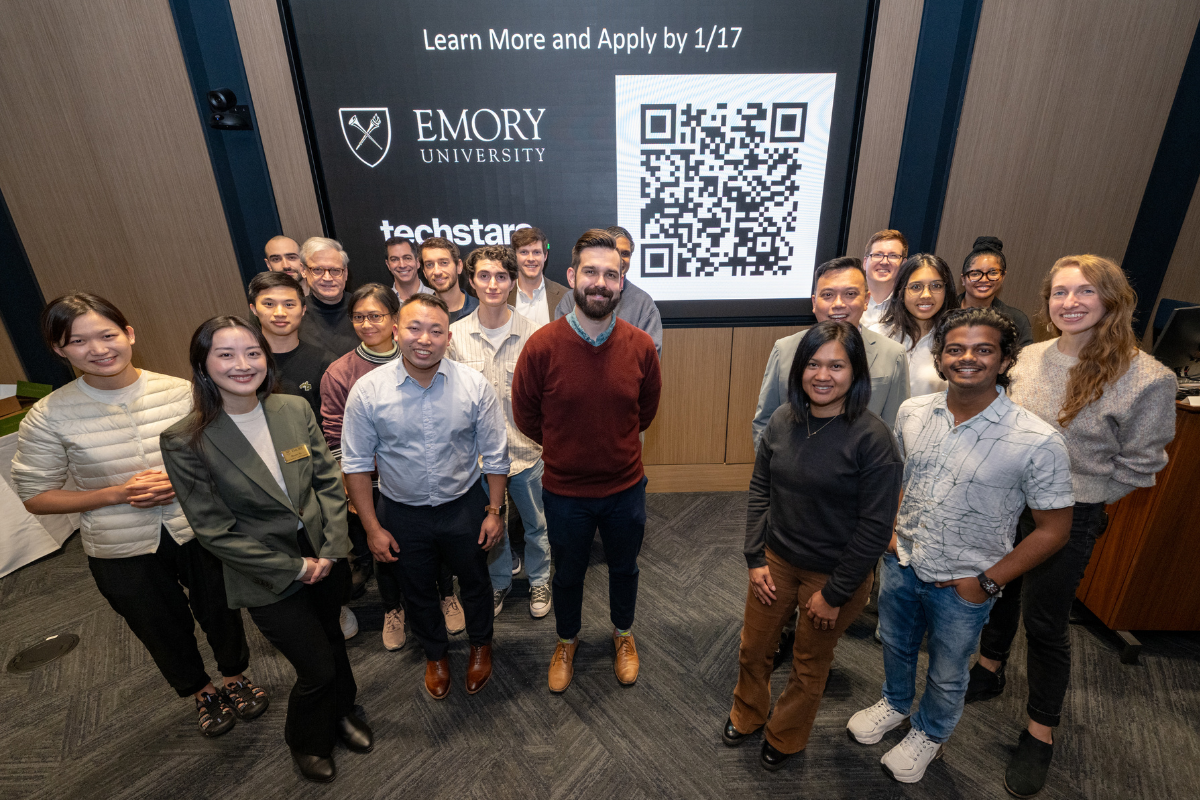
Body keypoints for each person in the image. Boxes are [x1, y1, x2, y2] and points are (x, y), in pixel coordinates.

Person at [967, 256, 1177, 797]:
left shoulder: (1148, 377)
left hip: (1071, 516)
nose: (1071, 302)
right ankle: (989, 669)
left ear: (1112, 299)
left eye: (1085, 291)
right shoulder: (1031, 357)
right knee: (999, 592)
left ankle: (1041, 730)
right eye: (1060, 292)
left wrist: (1077, 504)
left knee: (1044, 620)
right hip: (1008, 502)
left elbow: (1142, 464)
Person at [12, 293, 266, 739]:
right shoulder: (47, 417)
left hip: (196, 529)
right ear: (59, 350)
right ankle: (199, 689)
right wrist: (116, 494)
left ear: (129, 334)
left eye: (108, 335)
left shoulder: (180, 391)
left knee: (221, 608)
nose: (98, 349)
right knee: (158, 623)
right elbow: (36, 496)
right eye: (78, 341)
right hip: (118, 543)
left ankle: (235, 676)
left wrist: (180, 482)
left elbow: (227, 458)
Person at [846, 307, 1075, 784]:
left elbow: (1054, 530)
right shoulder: (912, 413)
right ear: (940, 356)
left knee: (949, 671)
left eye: (983, 349)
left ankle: (930, 732)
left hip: (965, 582)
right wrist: (890, 535)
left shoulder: (1037, 440)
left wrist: (986, 582)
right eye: (955, 349)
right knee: (895, 644)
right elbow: (902, 479)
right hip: (904, 562)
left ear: (1005, 359)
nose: (967, 358)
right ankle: (894, 702)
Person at [160, 316, 366, 783]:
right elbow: (213, 530)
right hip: (265, 569)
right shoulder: (185, 439)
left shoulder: (292, 409)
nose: (243, 364)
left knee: (333, 642)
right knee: (313, 665)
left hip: (323, 551)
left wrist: (332, 550)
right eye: (226, 354)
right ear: (202, 364)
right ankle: (305, 739)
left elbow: (328, 483)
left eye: (252, 353)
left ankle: (343, 713)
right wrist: (295, 567)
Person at [727, 321, 902, 771]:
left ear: (855, 372)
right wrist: (754, 558)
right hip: (777, 561)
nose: (822, 374)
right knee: (754, 647)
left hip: (835, 574)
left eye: (836, 365)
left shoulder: (873, 438)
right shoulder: (785, 419)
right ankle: (747, 714)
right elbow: (760, 489)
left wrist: (834, 594)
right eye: (813, 363)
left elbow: (875, 527)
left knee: (808, 662)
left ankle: (785, 735)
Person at [513, 229, 662, 693]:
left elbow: (647, 411)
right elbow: (526, 416)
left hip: (624, 489)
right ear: (573, 276)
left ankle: (623, 634)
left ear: (622, 282)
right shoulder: (541, 346)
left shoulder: (639, 346)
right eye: (591, 272)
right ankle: (566, 639)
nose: (600, 282)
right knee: (569, 573)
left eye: (611, 274)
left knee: (625, 569)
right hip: (564, 491)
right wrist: (569, 446)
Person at [341, 294, 509, 700]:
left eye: (436, 330)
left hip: (464, 507)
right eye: (414, 328)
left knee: (475, 582)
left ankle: (481, 646)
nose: (424, 339)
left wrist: (494, 510)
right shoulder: (367, 391)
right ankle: (435, 654)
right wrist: (372, 528)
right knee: (416, 590)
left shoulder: (472, 385)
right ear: (396, 331)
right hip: (402, 512)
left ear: (448, 338)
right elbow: (356, 465)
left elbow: (496, 454)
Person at [448, 245, 554, 619]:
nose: (493, 284)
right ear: (472, 280)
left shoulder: (536, 336)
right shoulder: (454, 337)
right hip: (478, 459)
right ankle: (500, 583)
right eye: (484, 276)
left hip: (526, 453)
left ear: (512, 282)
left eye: (501, 276)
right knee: (491, 529)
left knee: (537, 525)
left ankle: (540, 579)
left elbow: (547, 399)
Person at [753, 256, 910, 450]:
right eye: (827, 295)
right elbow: (765, 422)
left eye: (850, 294)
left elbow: (894, 431)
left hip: (860, 474)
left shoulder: (893, 354)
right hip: (793, 470)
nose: (838, 304)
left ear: (866, 300)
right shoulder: (784, 349)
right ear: (814, 302)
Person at [554, 225, 663, 358]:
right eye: (590, 272)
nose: (621, 259)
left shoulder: (644, 304)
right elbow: (559, 349)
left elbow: (649, 357)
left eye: (625, 254)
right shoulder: (569, 300)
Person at [248, 271, 334, 429]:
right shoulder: (244, 364)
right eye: (269, 304)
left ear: (303, 310)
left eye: (289, 304)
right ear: (253, 309)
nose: (279, 313)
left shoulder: (326, 362)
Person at [879, 254, 961, 397]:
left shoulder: (959, 342)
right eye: (916, 287)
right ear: (901, 291)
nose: (926, 295)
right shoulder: (879, 335)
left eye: (936, 286)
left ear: (946, 291)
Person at [957, 236, 1034, 348]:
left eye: (993, 273)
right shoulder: (944, 311)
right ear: (963, 279)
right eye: (975, 274)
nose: (984, 280)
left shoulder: (1016, 320)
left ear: (1003, 276)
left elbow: (1024, 362)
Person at [299, 236, 359, 357]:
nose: (327, 278)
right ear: (303, 270)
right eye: (318, 270)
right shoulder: (295, 314)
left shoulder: (364, 308)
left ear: (345, 273)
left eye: (335, 270)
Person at [509, 226, 568, 326]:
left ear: (545, 256)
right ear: (514, 256)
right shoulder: (503, 296)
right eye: (524, 252)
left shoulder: (565, 296)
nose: (531, 258)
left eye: (536, 252)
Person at [419, 236, 478, 324]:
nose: (437, 271)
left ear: (459, 266)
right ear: (424, 273)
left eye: (444, 263)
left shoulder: (479, 310)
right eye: (429, 265)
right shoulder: (420, 313)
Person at [861, 230, 908, 330]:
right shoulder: (847, 301)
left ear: (904, 264)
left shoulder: (909, 308)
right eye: (878, 255)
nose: (884, 262)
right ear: (865, 262)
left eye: (893, 256)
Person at [385, 236, 431, 303]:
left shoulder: (436, 297)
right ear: (388, 265)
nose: (402, 265)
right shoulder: (383, 302)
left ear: (417, 262)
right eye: (394, 259)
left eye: (407, 258)